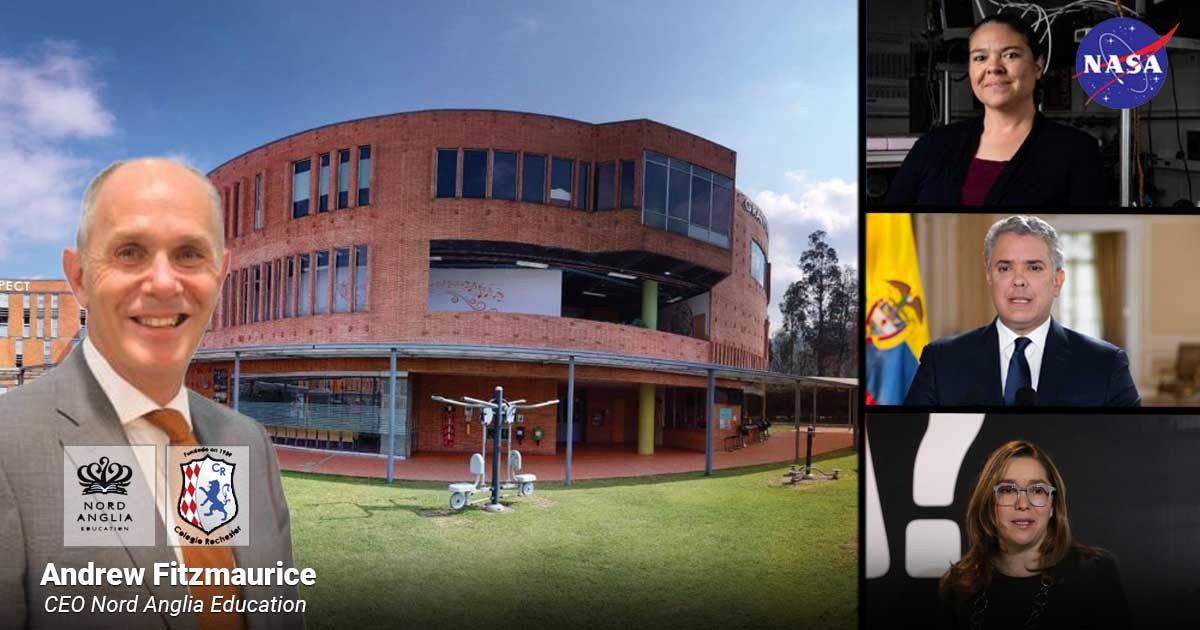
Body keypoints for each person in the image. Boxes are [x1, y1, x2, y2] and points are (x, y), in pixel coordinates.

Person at [0, 159, 303, 629]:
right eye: (129, 251)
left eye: (188, 253)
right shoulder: (8, 446)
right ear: (78, 276)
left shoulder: (246, 442)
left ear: (220, 273)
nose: (163, 283)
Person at [904, 215, 1139, 406]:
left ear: (1057, 281)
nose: (1018, 281)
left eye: (1034, 268)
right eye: (1005, 268)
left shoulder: (1106, 365)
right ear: (990, 278)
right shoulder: (941, 361)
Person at [885, 13, 1105, 207]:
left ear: (1038, 66)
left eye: (1011, 55)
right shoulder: (932, 146)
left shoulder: (1076, 151)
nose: (994, 68)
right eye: (980, 58)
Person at [938, 441, 1131, 629]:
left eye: (1037, 490)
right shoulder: (959, 585)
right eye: (1007, 490)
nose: (1023, 504)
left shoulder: (1095, 573)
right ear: (988, 503)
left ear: (1052, 506)